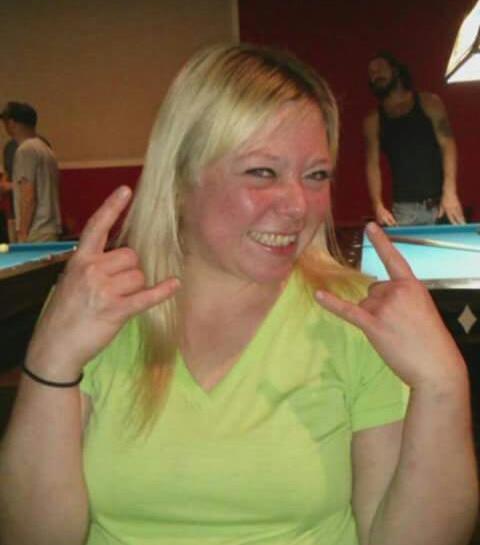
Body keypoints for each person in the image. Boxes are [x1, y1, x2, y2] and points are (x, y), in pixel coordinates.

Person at [0, 44, 477, 545]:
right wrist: (50, 359)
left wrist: (443, 384)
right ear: (180, 178)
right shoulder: (95, 307)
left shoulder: (360, 315)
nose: (298, 206)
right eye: (262, 172)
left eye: (316, 175)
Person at [364, 51, 464, 226]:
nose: (376, 75)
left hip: (442, 203)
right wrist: (378, 205)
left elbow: (448, 145)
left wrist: (450, 192)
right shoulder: (373, 120)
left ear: (395, 71)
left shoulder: (429, 103)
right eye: (371, 73)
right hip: (405, 211)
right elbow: (372, 164)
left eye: (379, 68)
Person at [0, 101, 61, 242]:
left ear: (12, 123)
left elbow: (28, 195)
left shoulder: (25, 150)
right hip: (49, 228)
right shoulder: (46, 149)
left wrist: (22, 232)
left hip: (35, 230)